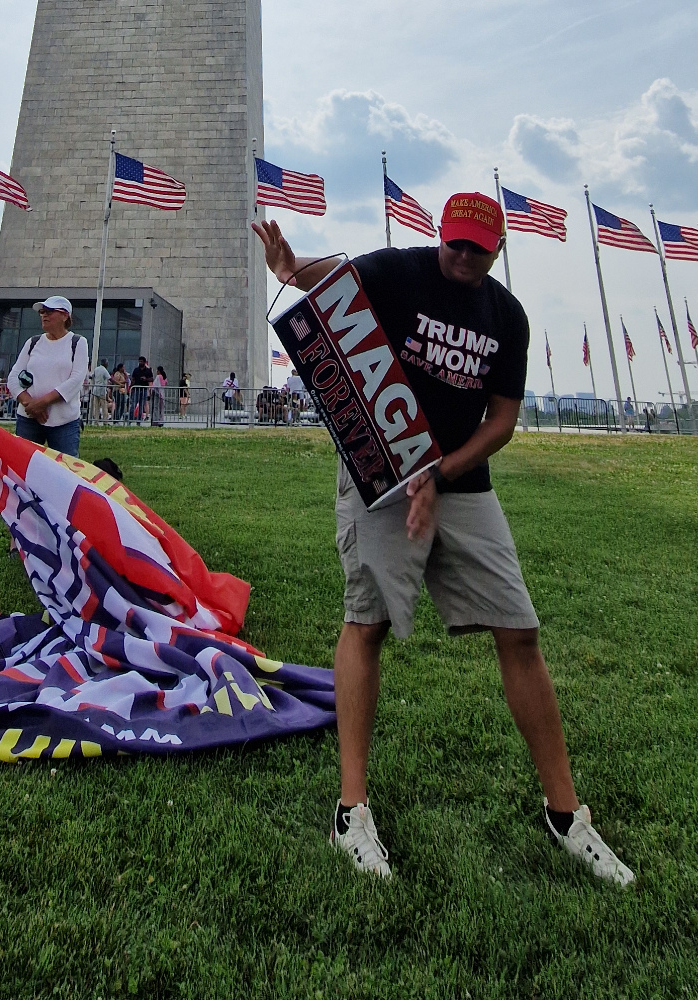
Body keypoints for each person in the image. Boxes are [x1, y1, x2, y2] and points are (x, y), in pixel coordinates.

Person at [252, 195, 634, 886]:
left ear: (497, 251)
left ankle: (565, 814)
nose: (461, 257)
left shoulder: (506, 315)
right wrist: (289, 265)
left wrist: (445, 471)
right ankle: (351, 811)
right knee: (363, 623)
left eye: (476, 250)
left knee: (519, 630)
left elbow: (504, 418)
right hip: (382, 473)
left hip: (461, 481)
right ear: (440, 236)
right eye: (454, 243)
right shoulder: (401, 271)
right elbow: (332, 284)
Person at [7, 295, 89, 456]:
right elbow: (13, 377)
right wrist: (30, 404)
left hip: (64, 421)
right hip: (28, 418)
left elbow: (76, 380)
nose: (44, 315)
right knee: (22, 465)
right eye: (42, 312)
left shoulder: (78, 342)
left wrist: (43, 403)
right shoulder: (33, 342)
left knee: (66, 470)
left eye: (50, 311)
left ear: (65, 316)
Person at [131, 355, 154, 422]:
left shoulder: (148, 370)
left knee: (141, 405)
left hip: (144, 389)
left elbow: (152, 378)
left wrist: (146, 379)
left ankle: (139, 419)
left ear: (144, 362)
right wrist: (132, 387)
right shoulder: (136, 370)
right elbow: (133, 378)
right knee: (133, 404)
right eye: (139, 361)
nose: (140, 363)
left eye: (141, 361)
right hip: (136, 389)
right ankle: (130, 418)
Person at [90, 358, 111, 424]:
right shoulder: (104, 370)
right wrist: (118, 384)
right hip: (102, 390)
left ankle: (96, 421)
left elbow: (91, 376)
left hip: (95, 390)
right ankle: (105, 421)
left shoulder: (96, 369)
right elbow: (110, 378)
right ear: (105, 363)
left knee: (96, 406)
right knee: (104, 406)